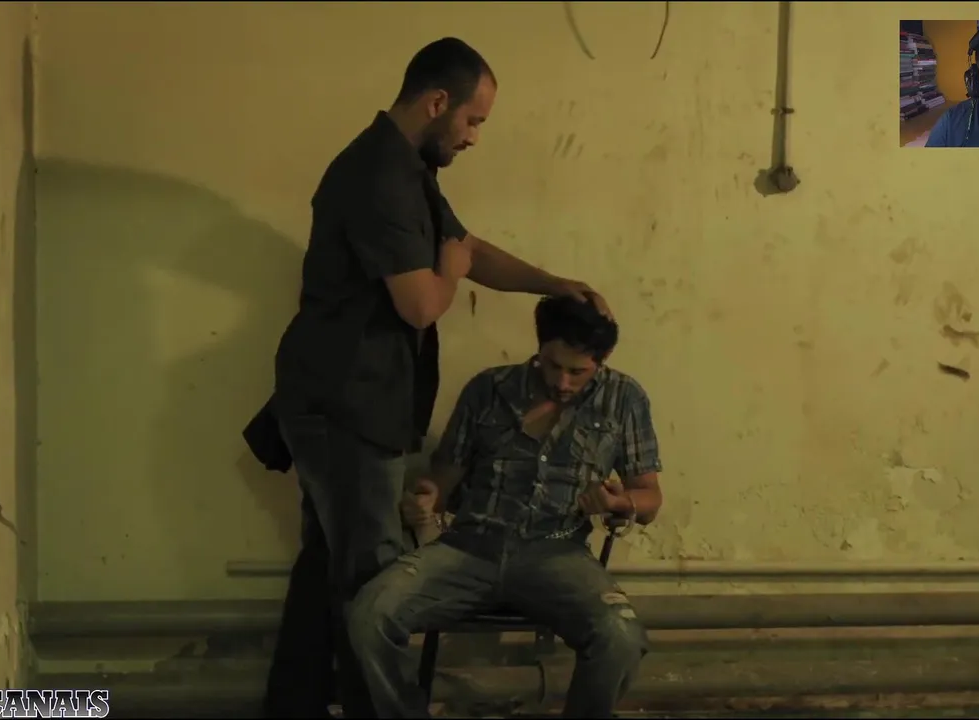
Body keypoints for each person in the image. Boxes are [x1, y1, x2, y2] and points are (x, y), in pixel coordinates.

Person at [244, 37, 613, 719]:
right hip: (346, 405)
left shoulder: (408, 167)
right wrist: (449, 266)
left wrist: (552, 283)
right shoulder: (377, 175)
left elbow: (466, 250)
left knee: (329, 566)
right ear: (438, 102)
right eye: (473, 120)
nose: (474, 137)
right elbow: (421, 302)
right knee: (374, 586)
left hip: (350, 400)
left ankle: (293, 705)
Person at [348, 296, 664, 719]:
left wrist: (618, 502)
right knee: (368, 616)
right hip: (468, 547)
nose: (563, 382)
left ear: (601, 361)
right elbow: (442, 478)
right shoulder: (490, 388)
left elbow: (649, 498)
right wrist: (425, 496)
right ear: (539, 348)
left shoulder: (624, 398)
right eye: (553, 365)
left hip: (557, 553)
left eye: (577, 372)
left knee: (621, 637)